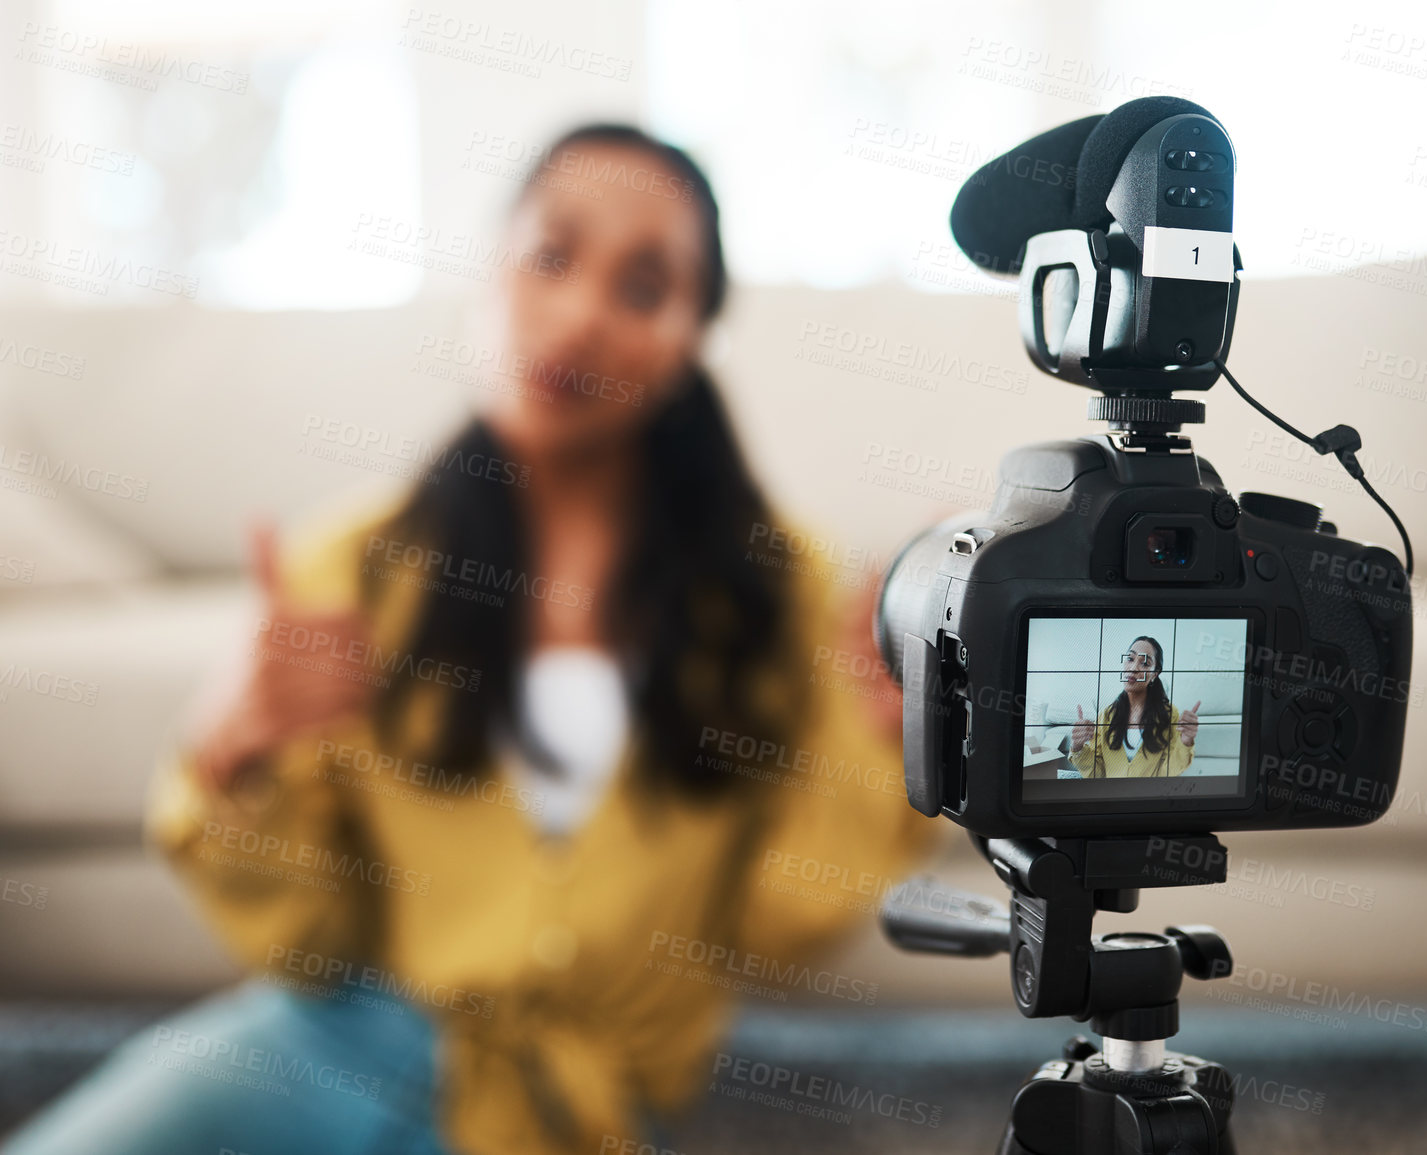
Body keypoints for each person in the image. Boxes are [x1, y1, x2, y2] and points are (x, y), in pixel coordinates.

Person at [4, 125, 932, 1155]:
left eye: (641, 287)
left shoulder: (784, 586)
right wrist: (234, 753)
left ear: (690, 342)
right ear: (490, 275)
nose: (578, 315)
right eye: (552, 257)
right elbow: (309, 942)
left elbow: (776, 928)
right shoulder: (350, 568)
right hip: (345, 1044)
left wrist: (871, 747)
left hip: (586, 1105)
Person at [1069, 635, 1200, 778]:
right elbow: (1098, 773)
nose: (1133, 668)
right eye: (1130, 659)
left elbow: (1168, 772)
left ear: (1155, 674)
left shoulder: (1169, 714)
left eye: (1144, 663)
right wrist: (1077, 747)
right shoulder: (1106, 715)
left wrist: (1186, 741)